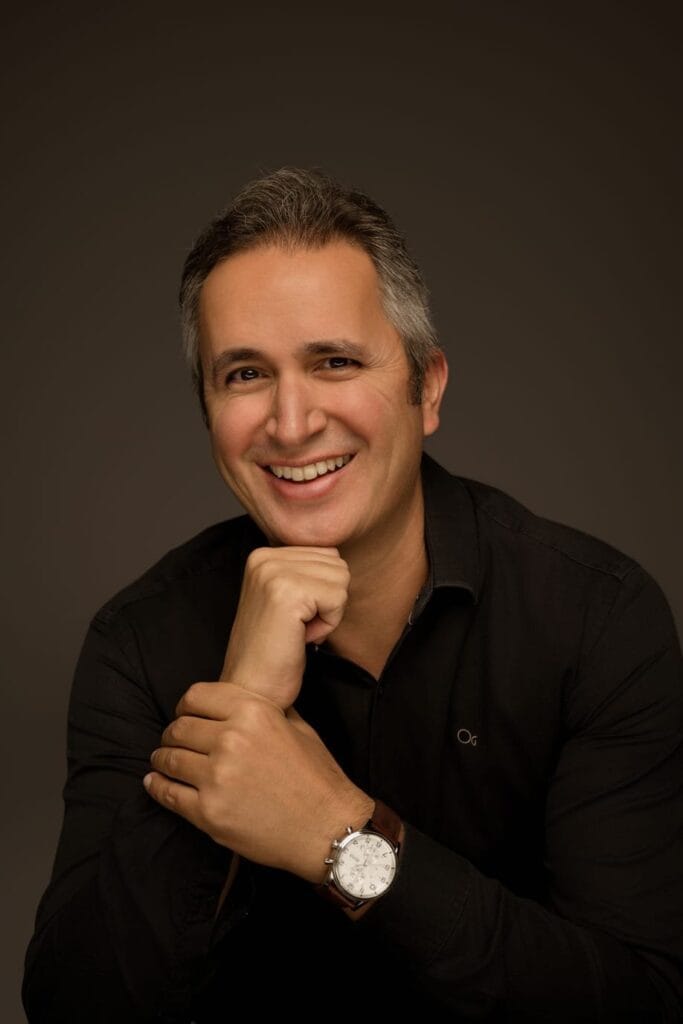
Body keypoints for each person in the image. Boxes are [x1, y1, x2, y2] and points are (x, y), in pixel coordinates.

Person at [23, 167, 682, 1023]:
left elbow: (640, 1003)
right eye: (244, 374)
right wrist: (240, 704)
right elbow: (75, 1006)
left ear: (426, 388)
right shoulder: (139, 641)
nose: (291, 423)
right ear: (208, 412)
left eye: (333, 362)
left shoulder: (593, 618)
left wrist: (338, 835)